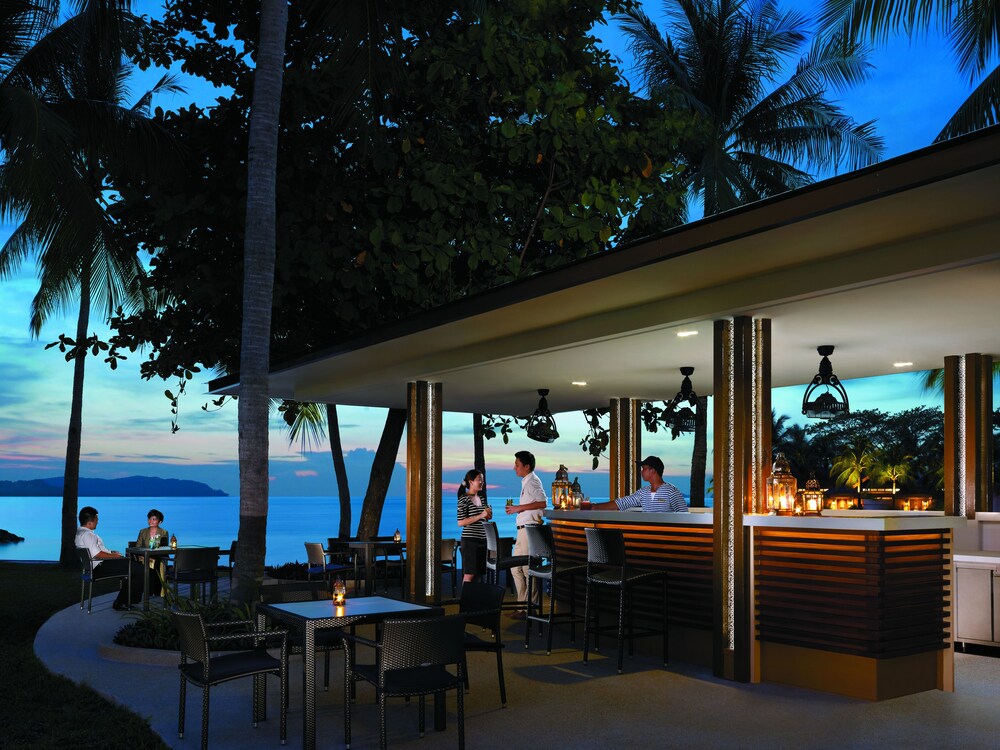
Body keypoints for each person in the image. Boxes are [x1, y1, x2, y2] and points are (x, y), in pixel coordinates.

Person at [75, 506, 146, 611]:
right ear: (90, 521)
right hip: (100, 568)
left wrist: (111, 552)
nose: (98, 522)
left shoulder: (79, 533)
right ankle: (122, 602)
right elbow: (98, 554)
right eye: (96, 519)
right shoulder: (89, 535)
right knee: (139, 568)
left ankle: (124, 599)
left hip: (91, 568)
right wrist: (115, 556)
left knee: (132, 566)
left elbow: (95, 550)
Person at [505, 450, 546, 619]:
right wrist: (518, 510)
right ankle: (522, 606)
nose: (514, 467)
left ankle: (530, 607)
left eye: (517, 464)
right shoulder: (526, 482)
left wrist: (518, 508)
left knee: (529, 568)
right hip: (522, 529)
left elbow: (543, 502)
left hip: (529, 530)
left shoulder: (533, 482)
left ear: (526, 466)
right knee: (516, 568)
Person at [584, 456, 688, 512]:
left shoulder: (671, 491)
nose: (641, 472)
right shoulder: (644, 492)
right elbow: (622, 503)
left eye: (644, 469)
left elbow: (684, 515)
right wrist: (593, 507)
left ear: (653, 470)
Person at [456, 469, 491, 585]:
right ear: (470, 482)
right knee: (469, 574)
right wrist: (481, 515)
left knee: (480, 574)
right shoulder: (464, 499)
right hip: (470, 541)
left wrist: (487, 516)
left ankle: (477, 601)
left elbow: (482, 518)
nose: (482, 482)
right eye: (479, 480)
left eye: (483, 480)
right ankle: (465, 602)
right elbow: (460, 522)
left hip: (482, 540)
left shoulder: (480, 499)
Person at [135, 508, 170, 596]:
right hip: (144, 556)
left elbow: (164, 547)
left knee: (156, 562)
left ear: (160, 522)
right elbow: (138, 547)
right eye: (149, 518)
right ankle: (151, 591)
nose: (150, 521)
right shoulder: (143, 531)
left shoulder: (164, 532)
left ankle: (157, 591)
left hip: (158, 556)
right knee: (152, 563)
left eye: (154, 519)